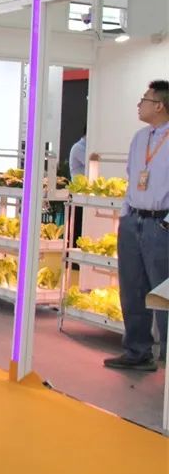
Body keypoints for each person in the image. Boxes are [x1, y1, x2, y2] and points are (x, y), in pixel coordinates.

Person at [104, 80, 169, 371]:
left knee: (163, 292)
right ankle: (137, 351)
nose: (139, 104)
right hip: (133, 221)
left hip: (160, 224)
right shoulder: (140, 138)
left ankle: (166, 357)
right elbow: (133, 177)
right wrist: (126, 214)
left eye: (145, 99)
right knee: (132, 288)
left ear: (160, 105)